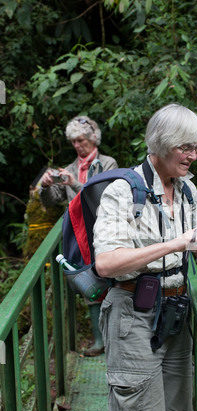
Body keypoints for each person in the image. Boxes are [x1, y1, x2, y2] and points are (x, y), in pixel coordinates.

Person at [93, 103, 197, 411]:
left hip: (176, 317)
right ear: (160, 144)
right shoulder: (122, 191)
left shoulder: (188, 191)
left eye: (196, 148)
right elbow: (106, 263)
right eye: (185, 147)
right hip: (133, 316)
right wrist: (175, 242)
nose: (192, 156)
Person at [40, 115, 118, 356]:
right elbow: (53, 201)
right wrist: (44, 187)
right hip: (79, 233)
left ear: (94, 139)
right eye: (73, 141)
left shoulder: (108, 164)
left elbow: (103, 198)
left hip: (106, 229)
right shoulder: (70, 169)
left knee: (113, 280)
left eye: (81, 140)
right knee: (87, 282)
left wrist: (75, 184)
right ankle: (99, 340)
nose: (77, 145)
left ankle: (115, 337)